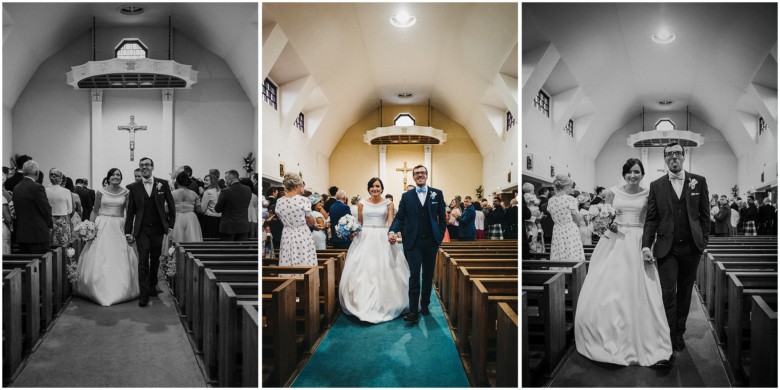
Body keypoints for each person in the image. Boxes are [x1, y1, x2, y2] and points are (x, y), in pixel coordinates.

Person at [576, 158, 672, 367]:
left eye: (637, 172)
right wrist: (606, 225)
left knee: (640, 287)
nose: (633, 175)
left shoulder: (649, 193)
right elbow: (602, 221)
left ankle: (645, 338)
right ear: (624, 173)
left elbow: (651, 220)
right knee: (611, 286)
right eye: (629, 172)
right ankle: (608, 334)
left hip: (638, 240)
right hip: (614, 241)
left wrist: (649, 245)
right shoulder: (611, 193)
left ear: (642, 174)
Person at [642, 142, 710, 356]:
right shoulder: (656, 185)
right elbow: (652, 218)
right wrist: (646, 244)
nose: (674, 157)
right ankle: (668, 335)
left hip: (691, 248)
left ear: (683, 156)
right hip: (666, 248)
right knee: (668, 292)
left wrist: (703, 241)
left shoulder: (698, 181)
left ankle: (680, 331)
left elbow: (705, 215)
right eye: (669, 154)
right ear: (665, 158)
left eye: (677, 154)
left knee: (685, 292)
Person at [340, 177, 410, 323]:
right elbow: (360, 223)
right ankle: (361, 301)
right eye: (372, 186)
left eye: (377, 186)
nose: (375, 189)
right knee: (364, 269)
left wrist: (392, 235)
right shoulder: (361, 203)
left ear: (382, 188)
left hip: (382, 236)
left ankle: (387, 301)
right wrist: (352, 231)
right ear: (369, 188)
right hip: (364, 237)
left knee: (383, 268)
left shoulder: (389, 204)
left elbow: (391, 223)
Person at [389, 165, 446, 324]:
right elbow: (400, 217)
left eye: (422, 173)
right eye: (417, 173)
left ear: (427, 176)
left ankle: (425, 304)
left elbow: (442, 217)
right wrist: (392, 231)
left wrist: (439, 237)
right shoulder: (406, 196)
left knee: (428, 274)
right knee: (414, 274)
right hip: (413, 242)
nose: (420, 175)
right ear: (413, 177)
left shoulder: (437, 194)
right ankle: (413, 310)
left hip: (431, 242)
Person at [75, 168, 140, 306]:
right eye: (113, 175)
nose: (116, 177)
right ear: (109, 177)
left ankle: (122, 288)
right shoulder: (101, 192)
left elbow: (129, 212)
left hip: (119, 225)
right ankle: (96, 287)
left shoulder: (126, 193)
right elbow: (95, 210)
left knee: (119, 255)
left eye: (118, 175)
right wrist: (90, 226)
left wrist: (130, 229)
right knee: (100, 254)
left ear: (121, 178)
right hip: (102, 223)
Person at [125, 157, 176, 307]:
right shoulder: (133, 187)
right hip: (142, 229)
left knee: (155, 259)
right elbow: (130, 212)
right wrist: (128, 232)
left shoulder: (163, 184)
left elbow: (172, 207)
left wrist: (171, 226)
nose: (144, 167)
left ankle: (153, 284)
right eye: (141, 165)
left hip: (158, 229)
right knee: (143, 260)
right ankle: (144, 293)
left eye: (147, 165)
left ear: (153, 167)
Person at [276, 173, 317, 269]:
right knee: (304, 258)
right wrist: (313, 220)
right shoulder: (303, 200)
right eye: (302, 185)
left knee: (288, 259)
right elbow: (310, 222)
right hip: (302, 233)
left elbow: (282, 222)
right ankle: (305, 280)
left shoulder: (279, 201)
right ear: (297, 185)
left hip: (287, 233)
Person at [12, 161, 52, 254]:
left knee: (27, 265)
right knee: (42, 266)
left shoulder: (17, 187)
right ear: (37, 173)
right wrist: (50, 225)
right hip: (37, 234)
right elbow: (45, 208)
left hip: (22, 235)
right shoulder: (37, 187)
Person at [547, 174, 584, 261]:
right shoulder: (570, 199)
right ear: (565, 186)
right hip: (569, 229)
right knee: (571, 252)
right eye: (571, 186)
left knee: (559, 252)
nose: (571, 189)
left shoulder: (550, 200)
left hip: (557, 229)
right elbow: (577, 220)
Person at [214, 170, 252, 241]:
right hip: (243, 226)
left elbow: (217, 209)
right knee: (241, 250)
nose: (225, 180)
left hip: (229, 227)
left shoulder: (225, 191)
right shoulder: (248, 189)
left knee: (228, 250)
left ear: (231, 179)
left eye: (226, 178)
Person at [170, 171, 203, 243]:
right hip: (191, 218)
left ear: (177, 181)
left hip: (176, 217)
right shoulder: (194, 194)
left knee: (176, 239)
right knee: (191, 238)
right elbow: (199, 210)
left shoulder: (172, 194)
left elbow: (166, 210)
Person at [45, 168, 73, 248]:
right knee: (63, 246)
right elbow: (69, 210)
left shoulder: (44, 190)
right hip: (62, 221)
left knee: (50, 245)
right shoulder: (66, 191)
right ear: (61, 178)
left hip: (49, 221)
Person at [200, 174, 221, 239]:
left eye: (207, 180)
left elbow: (202, 209)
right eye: (204, 180)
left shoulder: (208, 192)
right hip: (218, 219)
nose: (204, 182)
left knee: (208, 240)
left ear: (212, 181)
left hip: (209, 220)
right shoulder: (219, 191)